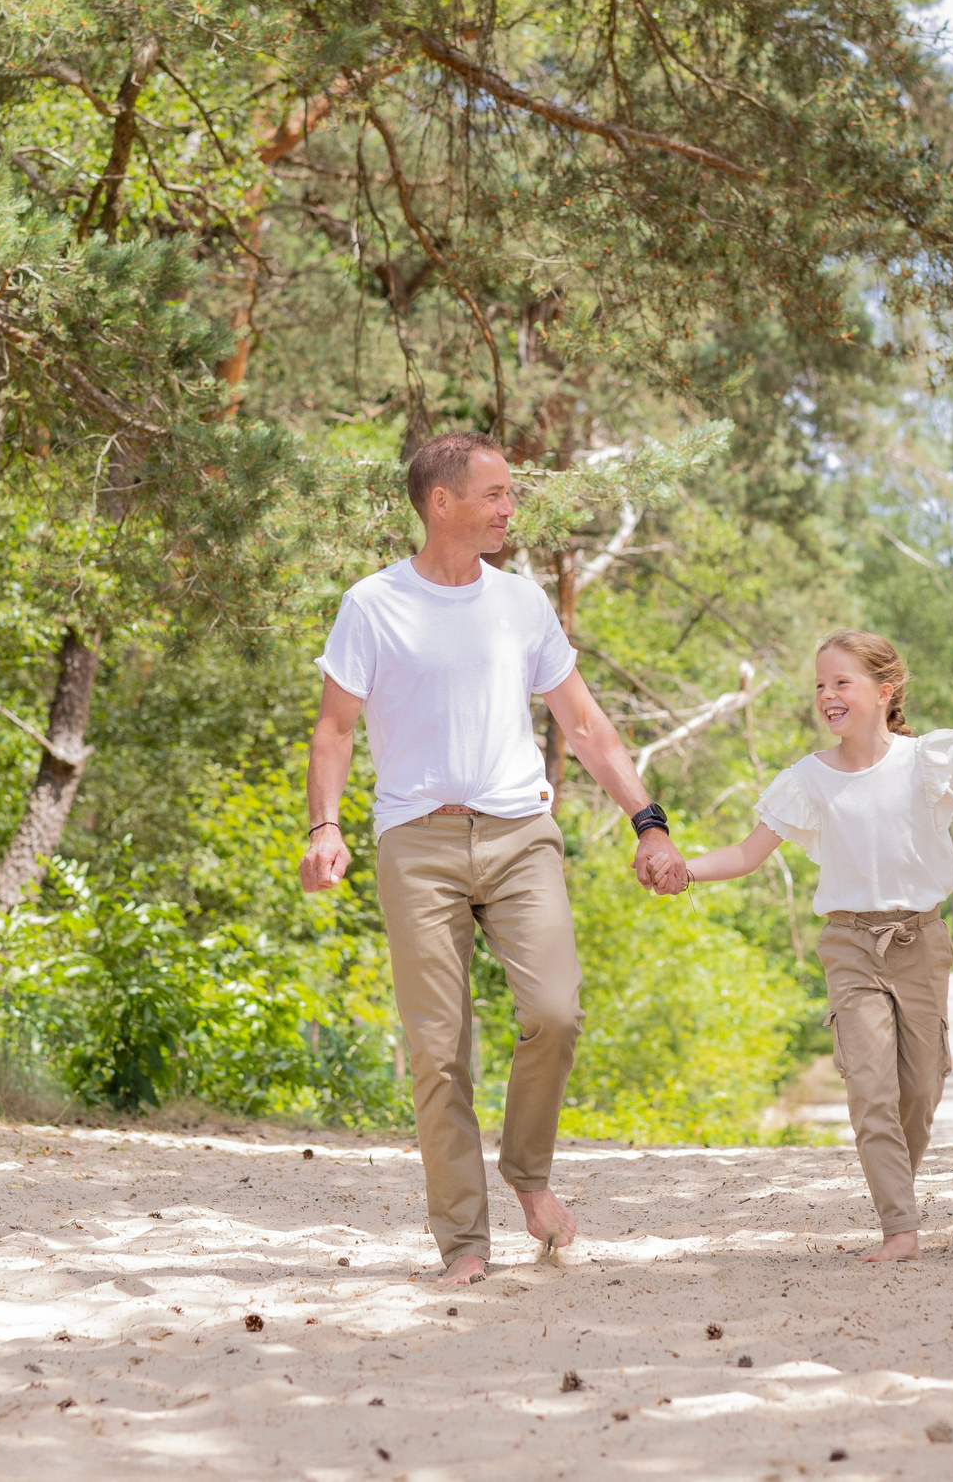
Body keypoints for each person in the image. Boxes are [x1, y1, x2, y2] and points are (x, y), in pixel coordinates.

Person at [299, 432, 690, 1288]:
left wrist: (649, 822)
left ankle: (528, 1173)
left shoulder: (521, 604)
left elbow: (584, 727)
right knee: (439, 1050)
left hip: (519, 834)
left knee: (555, 1010)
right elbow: (333, 729)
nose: (512, 508)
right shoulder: (372, 604)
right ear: (443, 503)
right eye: (497, 494)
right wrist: (323, 828)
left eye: (510, 494)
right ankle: (463, 1243)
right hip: (417, 843)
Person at [668, 630, 953, 1263]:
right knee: (871, 1091)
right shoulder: (808, 779)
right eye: (819, 685)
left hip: (922, 941)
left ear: (883, 691)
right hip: (850, 945)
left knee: (920, 1091)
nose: (827, 696)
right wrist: (684, 868)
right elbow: (747, 854)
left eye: (841, 682)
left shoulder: (929, 759)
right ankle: (900, 1227)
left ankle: (897, 1193)